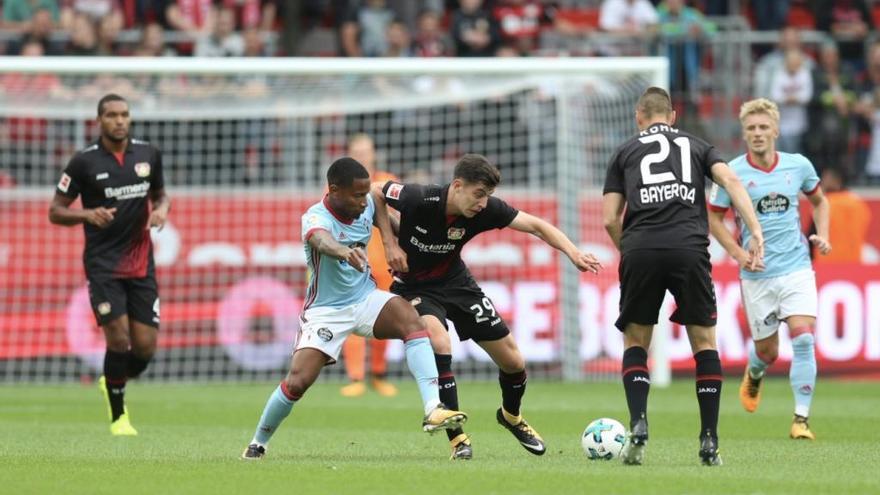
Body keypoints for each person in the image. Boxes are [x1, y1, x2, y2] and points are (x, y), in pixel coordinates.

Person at [372, 154, 601, 460]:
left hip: (457, 283)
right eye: (479, 194)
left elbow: (536, 225)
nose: (483, 203)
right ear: (457, 186)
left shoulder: (485, 210)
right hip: (414, 287)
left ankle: (511, 417)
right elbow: (375, 190)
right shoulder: (419, 197)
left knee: (513, 361)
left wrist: (573, 252)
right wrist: (389, 242)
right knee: (439, 341)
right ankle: (458, 439)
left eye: (488, 196)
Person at [241, 157, 467, 460]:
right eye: (356, 195)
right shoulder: (315, 217)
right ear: (334, 190)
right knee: (298, 381)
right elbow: (321, 241)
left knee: (412, 322)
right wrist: (343, 251)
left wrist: (400, 240)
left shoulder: (367, 203)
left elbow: (379, 203)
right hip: (326, 311)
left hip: (365, 299)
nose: (363, 202)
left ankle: (432, 408)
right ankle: (258, 442)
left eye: (364, 194)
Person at [602, 87, 764, 466]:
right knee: (704, 343)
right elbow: (732, 183)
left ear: (639, 116)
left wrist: (629, 252)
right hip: (689, 248)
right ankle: (709, 440)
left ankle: (638, 423)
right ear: (672, 116)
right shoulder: (697, 145)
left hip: (640, 247)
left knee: (637, 341)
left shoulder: (624, 151)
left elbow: (610, 218)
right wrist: (754, 230)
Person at [708, 99, 831, 443]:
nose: (758, 134)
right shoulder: (730, 173)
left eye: (764, 127)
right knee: (768, 352)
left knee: (804, 338)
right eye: (751, 129)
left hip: (796, 268)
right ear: (744, 134)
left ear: (776, 130)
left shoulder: (798, 166)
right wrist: (736, 253)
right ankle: (756, 369)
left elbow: (821, 201)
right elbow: (713, 218)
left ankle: (800, 420)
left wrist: (823, 234)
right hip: (757, 275)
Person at [48, 94, 171, 436]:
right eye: (112, 115)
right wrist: (87, 214)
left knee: (144, 349)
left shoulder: (148, 154)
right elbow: (55, 211)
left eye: (124, 115)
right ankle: (119, 417)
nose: (119, 120)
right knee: (117, 341)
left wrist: (161, 210)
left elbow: (161, 194)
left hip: (141, 264)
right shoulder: (83, 162)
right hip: (103, 266)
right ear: (99, 120)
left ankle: (111, 378)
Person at [339, 134, 399, 398]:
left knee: (385, 319)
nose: (363, 156)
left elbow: (402, 214)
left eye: (367, 151)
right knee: (352, 319)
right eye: (358, 151)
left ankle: (378, 374)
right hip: (354, 264)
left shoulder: (387, 181)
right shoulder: (339, 185)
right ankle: (356, 377)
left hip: (385, 264)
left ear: (374, 154)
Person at [812, 167, 870, 263]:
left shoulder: (823, 204)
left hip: (826, 261)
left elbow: (813, 234)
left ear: (835, 181)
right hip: (854, 261)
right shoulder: (858, 203)